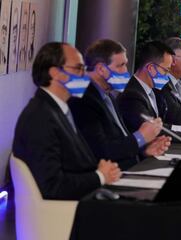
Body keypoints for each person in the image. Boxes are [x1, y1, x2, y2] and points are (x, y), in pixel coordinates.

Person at [12, 42, 121, 200]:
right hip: (69, 212)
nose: (85, 76)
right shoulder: (40, 117)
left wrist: (101, 171)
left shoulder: (58, 110)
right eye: (78, 69)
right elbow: (52, 186)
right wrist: (99, 176)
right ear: (55, 73)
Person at [69, 39, 170, 170]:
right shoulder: (83, 99)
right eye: (120, 65)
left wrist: (144, 151)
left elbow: (119, 141)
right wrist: (140, 137)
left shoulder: (108, 95)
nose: (125, 71)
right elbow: (100, 150)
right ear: (100, 69)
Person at [118, 40, 181, 144]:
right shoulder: (132, 94)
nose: (168, 75)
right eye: (166, 70)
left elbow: (162, 125)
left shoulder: (151, 90)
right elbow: (153, 130)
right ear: (151, 68)